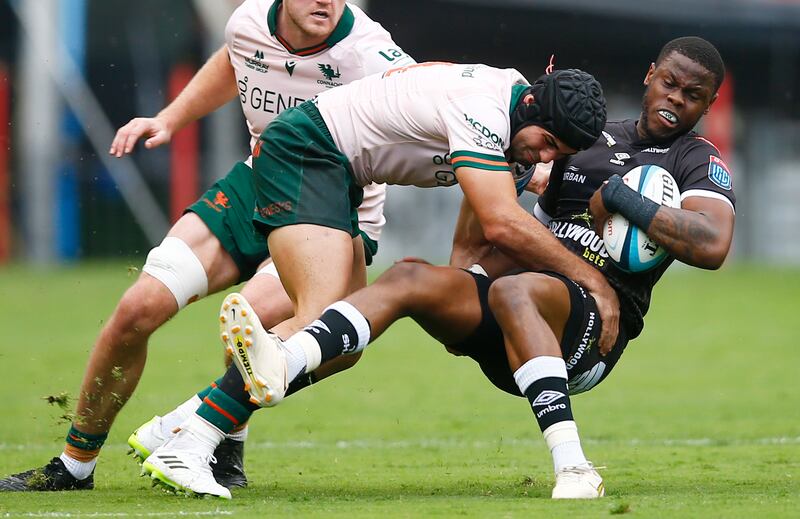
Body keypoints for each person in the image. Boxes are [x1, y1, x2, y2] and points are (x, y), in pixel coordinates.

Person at [148, 36, 733, 499]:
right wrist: (466, 274)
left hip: (590, 332)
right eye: (670, 81)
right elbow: (502, 215)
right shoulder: (583, 139)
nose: (676, 97)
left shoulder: (695, 159)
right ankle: (202, 419)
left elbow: (711, 243)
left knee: (518, 290)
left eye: (693, 93)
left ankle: (575, 468)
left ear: (708, 104)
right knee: (406, 277)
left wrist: (621, 205)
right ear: (650, 75)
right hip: (524, 309)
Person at [0, 0, 414, 493]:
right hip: (257, 184)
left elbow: (425, 97)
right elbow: (233, 58)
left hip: (332, 210)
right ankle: (74, 466)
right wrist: (172, 118)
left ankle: (202, 431)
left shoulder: (370, 53)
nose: (326, 1)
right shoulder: (248, 22)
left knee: (252, 320)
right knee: (137, 309)